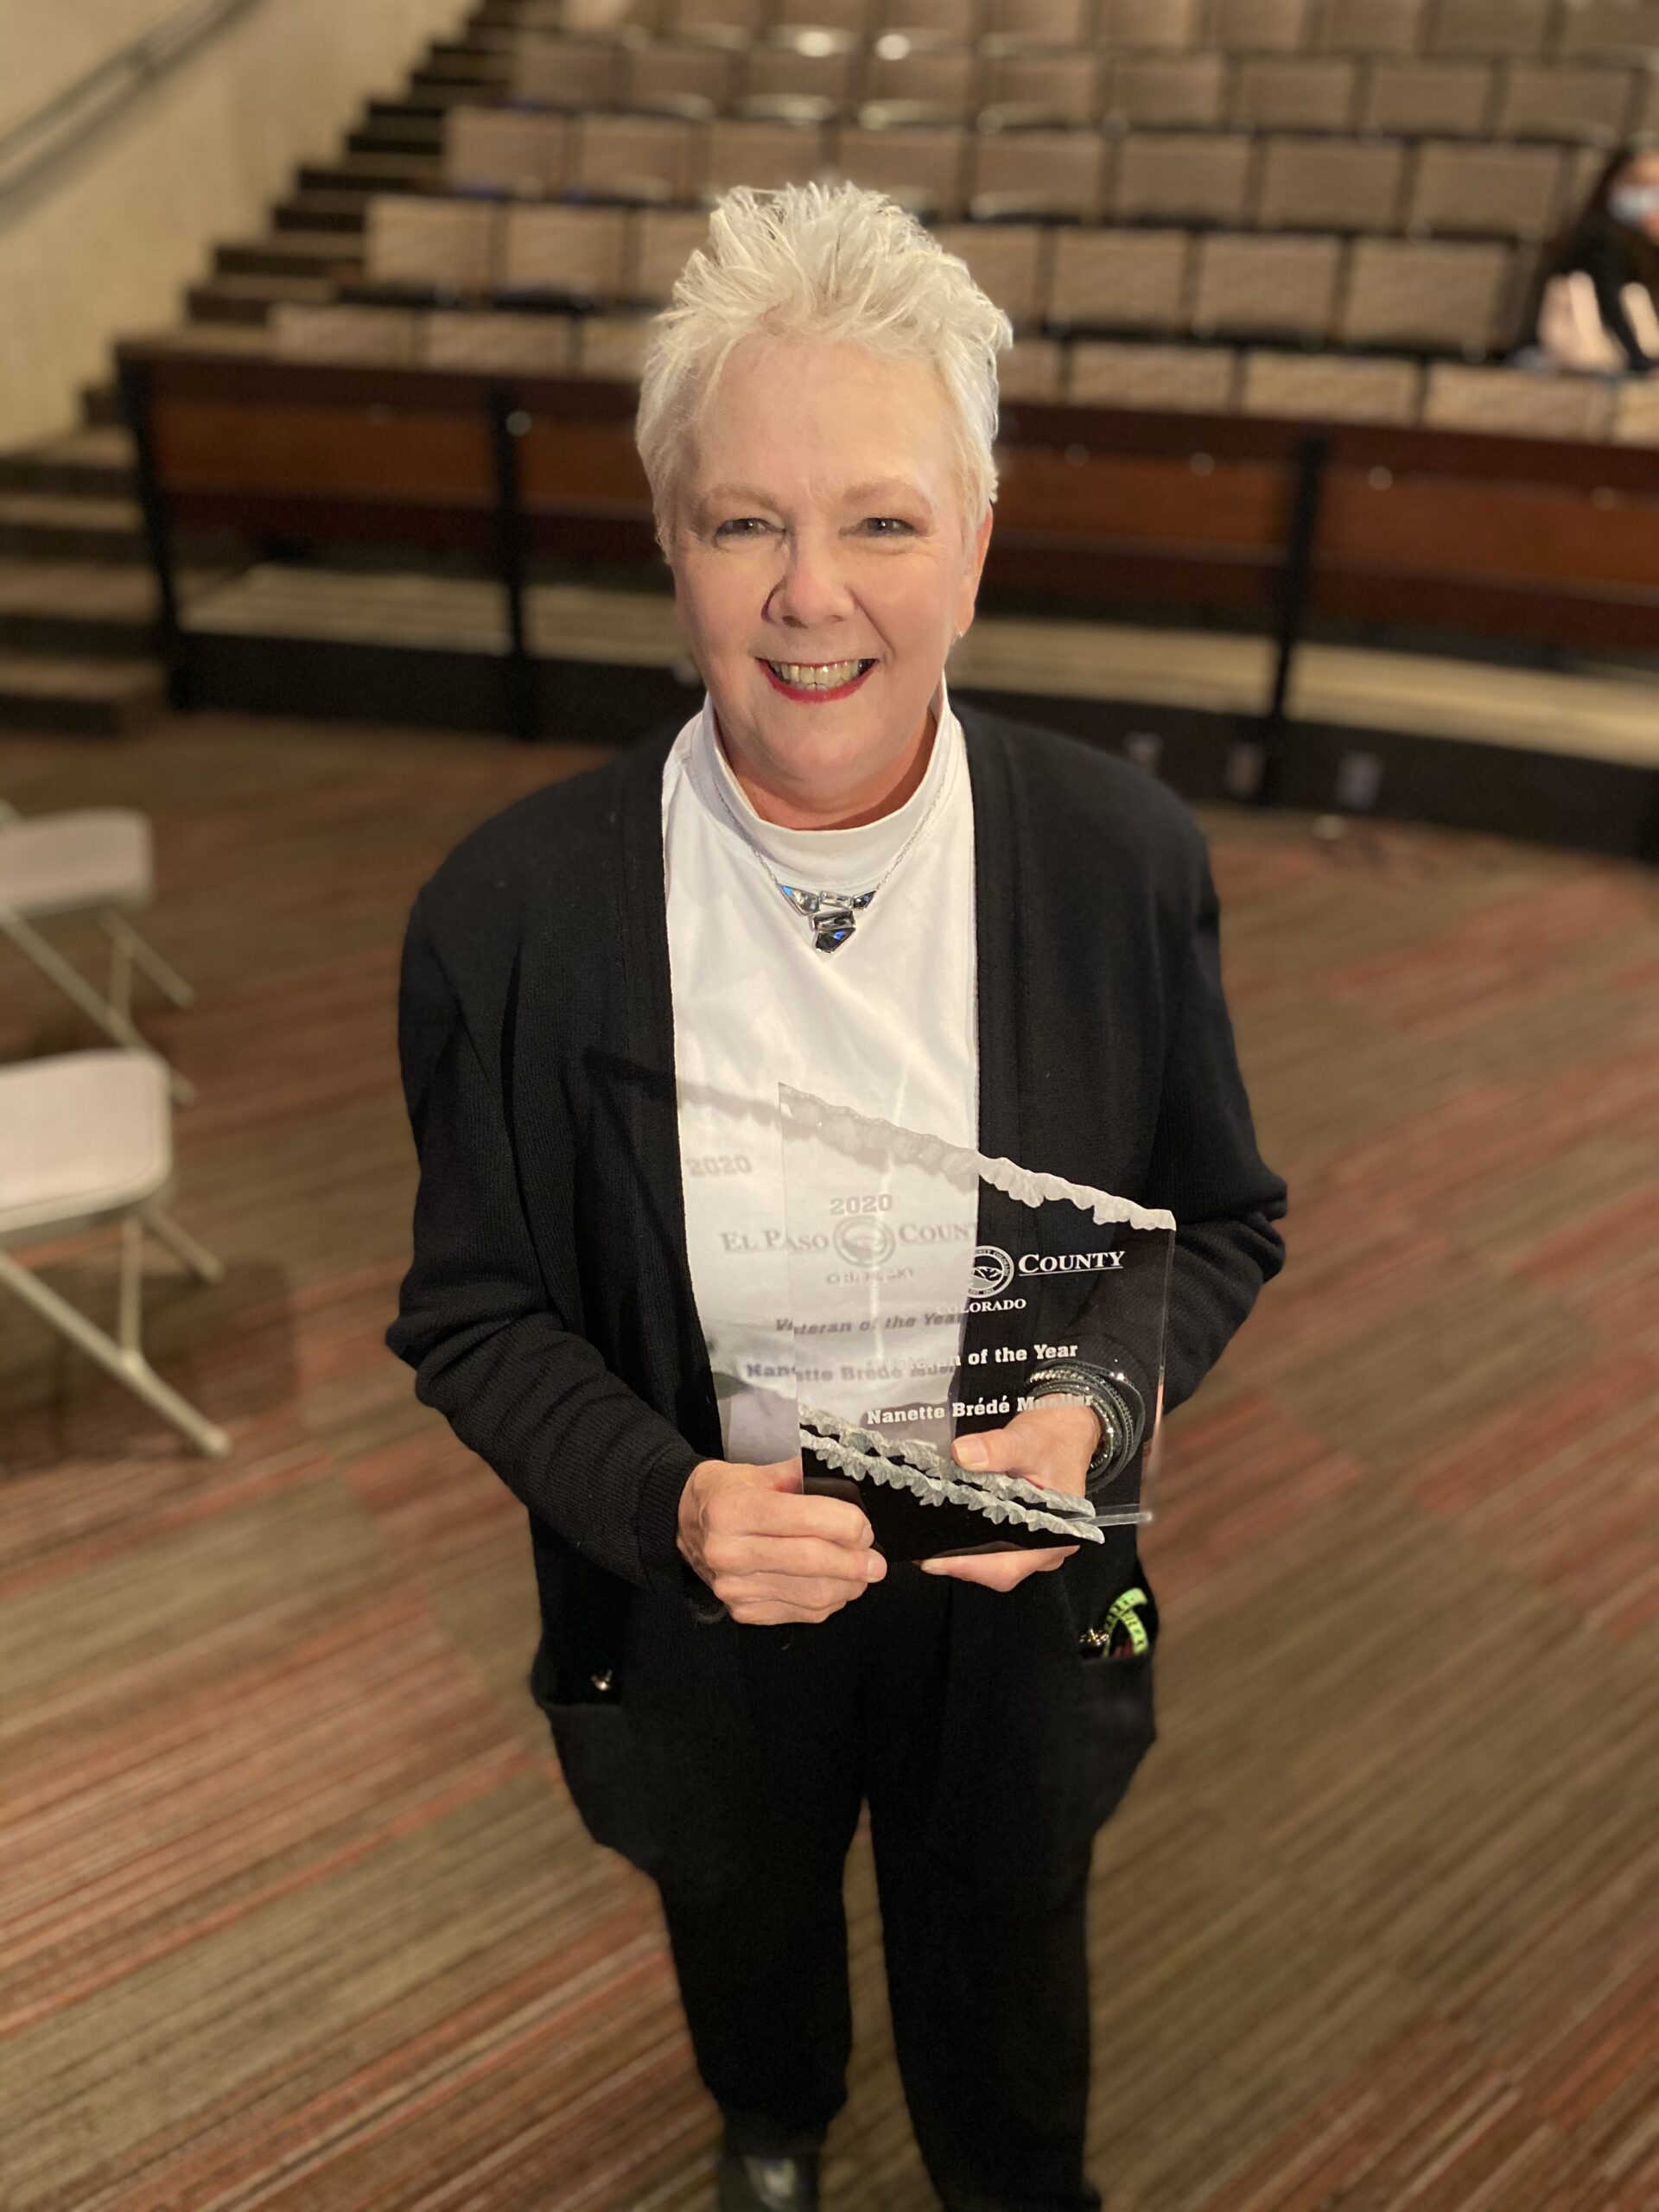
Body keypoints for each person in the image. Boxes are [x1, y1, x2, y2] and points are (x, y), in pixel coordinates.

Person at [386, 181, 1288, 2212]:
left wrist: (1093, 1419)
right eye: (743, 522)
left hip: (1013, 1584)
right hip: (700, 1592)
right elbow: (475, 1310)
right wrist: (666, 1501)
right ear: (670, 541)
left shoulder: (1119, 860)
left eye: (881, 518)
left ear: (976, 538)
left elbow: (1217, 1218)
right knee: (741, 1907)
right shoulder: (513, 914)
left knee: (1009, 1962)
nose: (811, 594)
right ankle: (774, 2119)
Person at [1516, 137, 1659, 373]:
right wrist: (1638, 358)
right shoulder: (1600, 241)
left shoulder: (1642, 245)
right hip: (1573, 354)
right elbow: (1612, 304)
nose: (1651, 197)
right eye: (1641, 184)